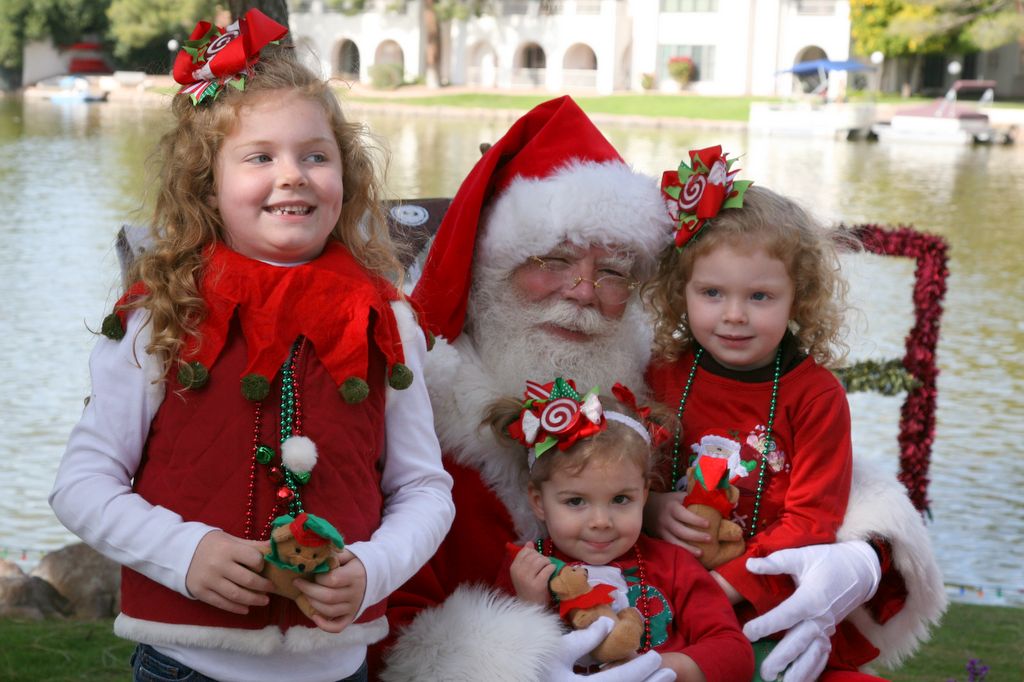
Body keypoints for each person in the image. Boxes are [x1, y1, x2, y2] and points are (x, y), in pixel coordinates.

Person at [375, 97, 945, 681]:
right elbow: (386, 618)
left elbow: (794, 471)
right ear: (492, 266)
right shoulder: (415, 397)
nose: (582, 290)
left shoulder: (650, 368)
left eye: (614, 271)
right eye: (553, 259)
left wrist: (864, 553)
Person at [49, 11, 454, 682]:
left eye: (315, 155)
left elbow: (423, 487)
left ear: (345, 175)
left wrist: (371, 568)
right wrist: (185, 552)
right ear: (209, 182)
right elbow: (82, 484)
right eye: (260, 156)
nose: (292, 175)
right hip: (186, 665)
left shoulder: (386, 317)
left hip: (337, 667)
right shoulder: (163, 311)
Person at [644, 146, 880, 679]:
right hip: (659, 584)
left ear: (799, 298)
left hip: (766, 596)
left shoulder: (815, 395)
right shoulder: (660, 373)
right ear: (680, 293)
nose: (733, 315)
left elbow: (811, 519)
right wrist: (654, 508)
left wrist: (722, 587)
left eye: (759, 296)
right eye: (711, 292)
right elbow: (625, 472)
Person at [490, 378, 754, 681]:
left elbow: (735, 653)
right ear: (539, 501)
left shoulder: (674, 565)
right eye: (576, 501)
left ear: (644, 494)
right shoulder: (527, 570)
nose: (601, 521)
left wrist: (663, 667)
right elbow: (497, 663)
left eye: (620, 499)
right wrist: (531, 607)